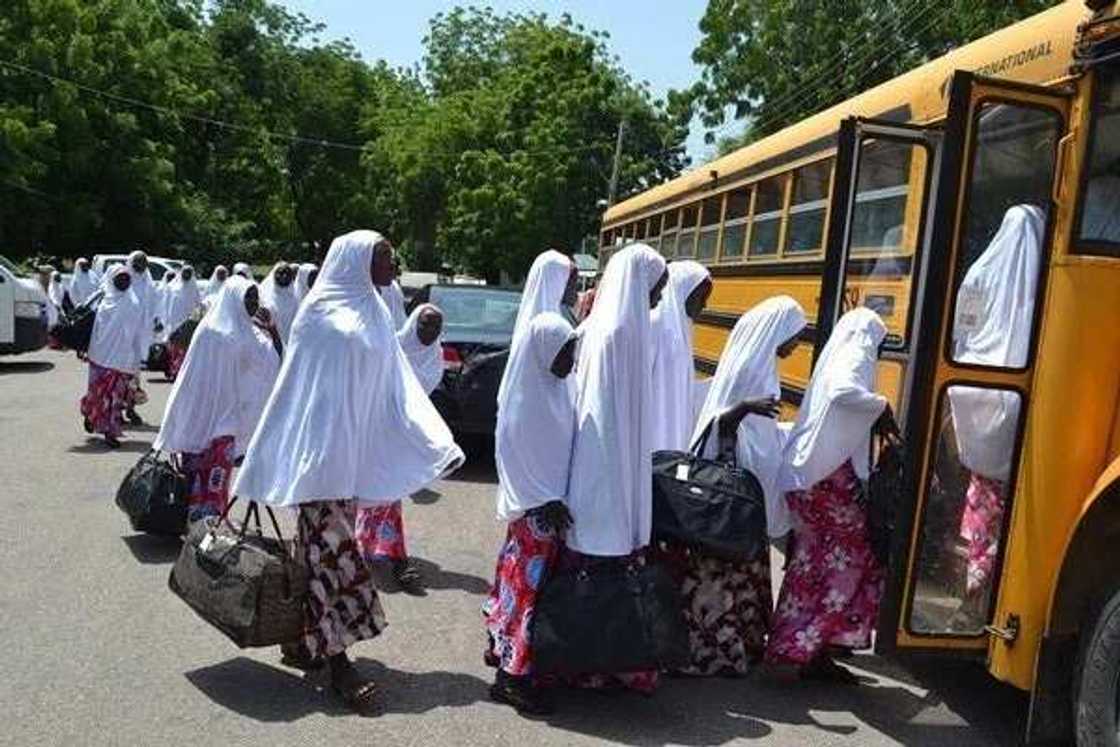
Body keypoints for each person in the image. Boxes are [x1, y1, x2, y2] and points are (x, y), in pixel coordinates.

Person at [231, 230, 464, 714]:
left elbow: (395, 384)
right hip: (319, 462)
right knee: (336, 560)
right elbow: (297, 389)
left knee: (317, 559)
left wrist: (430, 440)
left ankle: (305, 643)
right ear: (355, 260)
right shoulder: (319, 314)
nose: (393, 261)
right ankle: (339, 666)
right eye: (383, 255)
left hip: (349, 460)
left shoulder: (377, 311)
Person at [662, 296, 806, 677]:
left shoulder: (766, 369)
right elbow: (718, 423)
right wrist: (745, 408)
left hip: (745, 502)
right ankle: (711, 653)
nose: (798, 343)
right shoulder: (750, 371)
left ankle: (738, 647)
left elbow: (760, 437)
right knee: (719, 581)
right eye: (796, 334)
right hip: (730, 505)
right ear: (777, 333)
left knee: (741, 578)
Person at [766, 307, 897, 682]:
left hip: (809, 476)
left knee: (811, 564)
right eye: (881, 345)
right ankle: (809, 645)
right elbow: (844, 391)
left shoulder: (837, 353)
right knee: (852, 561)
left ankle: (803, 646)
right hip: (829, 480)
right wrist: (881, 406)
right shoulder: (856, 353)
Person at [563, 242, 667, 693]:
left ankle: (597, 664)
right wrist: (612, 492)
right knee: (598, 575)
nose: (660, 299)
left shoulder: (613, 332)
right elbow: (600, 425)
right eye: (656, 289)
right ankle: (591, 665)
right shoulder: (614, 338)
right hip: (602, 480)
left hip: (610, 478)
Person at [949, 205, 1043, 616]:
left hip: (974, 390)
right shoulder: (1049, 281)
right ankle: (994, 584)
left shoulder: (977, 274)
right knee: (1011, 500)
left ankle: (975, 574)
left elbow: (960, 331)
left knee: (982, 491)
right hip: (1019, 395)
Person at [484, 312, 578, 715]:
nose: (571, 360)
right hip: (534, 517)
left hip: (551, 516)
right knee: (528, 597)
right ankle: (511, 680)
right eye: (565, 351)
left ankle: (515, 661)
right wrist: (543, 501)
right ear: (543, 351)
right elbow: (511, 459)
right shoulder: (523, 399)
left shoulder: (556, 391)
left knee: (531, 595)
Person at [154, 276, 281, 522]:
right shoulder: (210, 331)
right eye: (248, 297)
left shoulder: (250, 333)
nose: (253, 302)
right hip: (200, 417)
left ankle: (211, 526)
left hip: (228, 419)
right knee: (193, 476)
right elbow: (191, 378)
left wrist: (273, 330)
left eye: (255, 297)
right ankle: (192, 523)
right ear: (233, 297)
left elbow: (272, 361)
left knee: (218, 476)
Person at [355, 302, 446, 591]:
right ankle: (367, 547)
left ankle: (386, 549)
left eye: (436, 326)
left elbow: (421, 394)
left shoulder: (436, 356)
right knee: (371, 491)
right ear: (413, 323)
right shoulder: (392, 349)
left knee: (391, 493)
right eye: (425, 324)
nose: (429, 331)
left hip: (403, 434)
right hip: (375, 430)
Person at [649, 260, 712, 452]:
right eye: (701, 296)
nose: (704, 305)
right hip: (651, 431)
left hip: (673, 433)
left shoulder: (683, 328)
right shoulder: (654, 323)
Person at [497, 250, 576, 403]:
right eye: (571, 282)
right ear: (555, 281)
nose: (576, 290)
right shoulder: (547, 326)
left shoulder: (550, 320)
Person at [80, 267, 146, 449]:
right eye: (120, 278)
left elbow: (135, 334)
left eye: (127, 278)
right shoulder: (103, 300)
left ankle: (110, 430)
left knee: (114, 398)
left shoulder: (133, 303)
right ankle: (90, 414)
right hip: (100, 357)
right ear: (111, 279)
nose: (124, 281)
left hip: (120, 360)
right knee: (97, 393)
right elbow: (95, 331)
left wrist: (135, 359)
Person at [162, 266, 204, 381]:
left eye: (189, 273)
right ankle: (173, 370)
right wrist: (163, 320)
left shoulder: (194, 288)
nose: (186, 275)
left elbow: (198, 305)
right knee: (173, 348)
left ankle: (181, 372)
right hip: (173, 322)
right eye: (185, 272)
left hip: (188, 323)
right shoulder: (172, 287)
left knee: (185, 348)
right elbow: (165, 304)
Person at [259, 262, 300, 342]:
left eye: (288, 273)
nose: (284, 276)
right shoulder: (263, 294)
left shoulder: (296, 297)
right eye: (281, 273)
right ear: (274, 274)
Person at [372, 242, 407, 329]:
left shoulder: (394, 288)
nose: (392, 264)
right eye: (385, 256)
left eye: (392, 258)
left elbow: (400, 323)